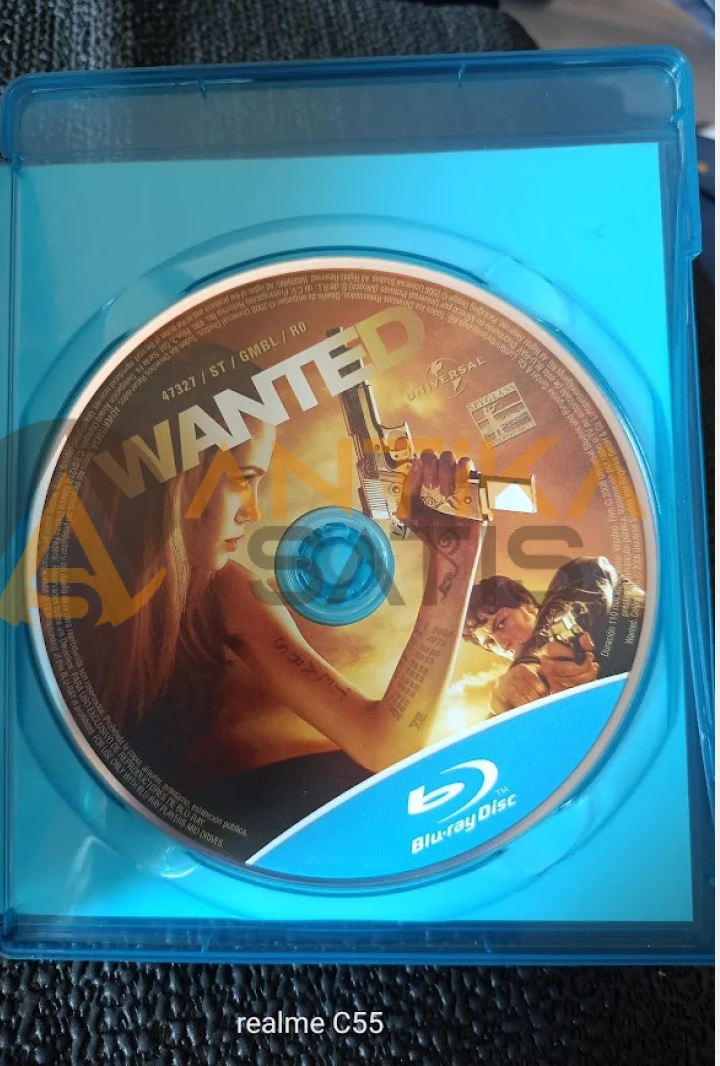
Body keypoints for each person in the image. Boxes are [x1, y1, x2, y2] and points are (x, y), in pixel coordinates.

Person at [44, 344, 484, 854]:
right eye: (242, 481)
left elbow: (387, 743)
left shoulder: (228, 594)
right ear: (178, 481)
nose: (252, 511)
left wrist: (454, 559)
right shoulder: (58, 587)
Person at [463, 556, 645, 715]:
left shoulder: (580, 572)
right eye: (490, 643)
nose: (502, 644)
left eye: (502, 623)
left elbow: (580, 603)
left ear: (528, 606)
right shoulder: (538, 694)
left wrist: (531, 661)